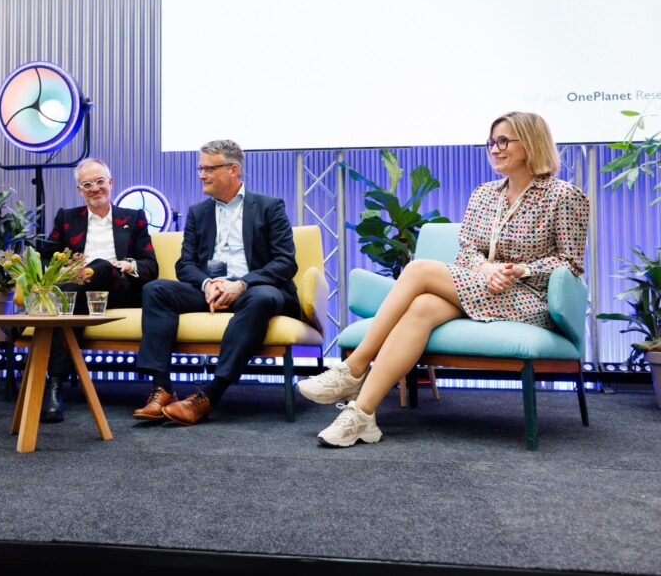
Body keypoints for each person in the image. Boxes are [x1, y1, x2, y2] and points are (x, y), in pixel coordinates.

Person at [298, 111, 590, 447]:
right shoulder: (484, 194)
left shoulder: (563, 196)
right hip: (481, 286)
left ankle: (352, 368)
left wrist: (520, 270)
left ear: (531, 143)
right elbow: (466, 249)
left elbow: (570, 262)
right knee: (422, 306)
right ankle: (362, 415)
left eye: (504, 141)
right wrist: (486, 269)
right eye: (491, 142)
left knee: (420, 270)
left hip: (527, 299)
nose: (494, 149)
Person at [133, 139, 300, 425]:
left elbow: (285, 262)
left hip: (253, 290)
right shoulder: (199, 212)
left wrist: (243, 284)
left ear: (233, 170)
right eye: (201, 168)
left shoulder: (269, 207)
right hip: (211, 291)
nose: (202, 175)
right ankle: (162, 389)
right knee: (156, 289)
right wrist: (207, 284)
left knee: (262, 298)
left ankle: (209, 395)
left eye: (209, 168)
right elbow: (184, 264)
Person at [39, 158, 158, 423]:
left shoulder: (134, 218)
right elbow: (45, 258)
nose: (95, 188)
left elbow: (151, 266)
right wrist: (69, 269)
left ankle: (33, 318)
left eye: (100, 181)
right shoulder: (67, 218)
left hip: (119, 290)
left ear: (111, 183)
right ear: (80, 190)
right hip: (79, 292)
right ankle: (55, 385)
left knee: (101, 267)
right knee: (70, 299)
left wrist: (127, 265)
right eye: (87, 184)